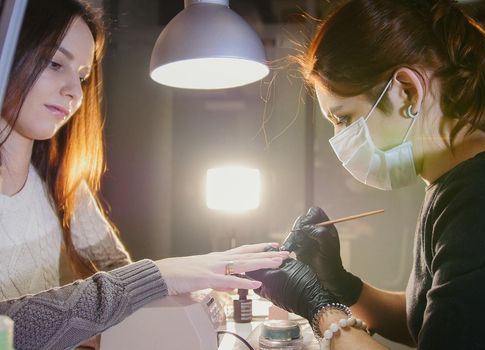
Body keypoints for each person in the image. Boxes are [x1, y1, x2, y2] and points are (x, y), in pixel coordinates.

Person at [247, 0, 485, 349]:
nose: (340, 142)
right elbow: (433, 324)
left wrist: (319, 306)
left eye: (345, 119)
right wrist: (340, 283)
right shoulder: (461, 181)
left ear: (407, 91)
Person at [0, 1, 289, 349]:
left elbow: (113, 270)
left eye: (81, 76)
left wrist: (192, 296)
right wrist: (161, 274)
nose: (74, 92)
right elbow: (11, 327)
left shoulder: (62, 184)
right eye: (55, 63)